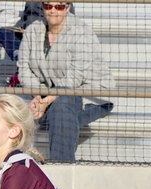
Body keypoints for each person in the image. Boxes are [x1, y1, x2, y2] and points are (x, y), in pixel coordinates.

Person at [16, 1, 113, 162]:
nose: (53, 11)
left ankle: (62, 170)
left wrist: (46, 101)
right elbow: (24, 70)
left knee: (61, 108)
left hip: (89, 94)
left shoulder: (81, 31)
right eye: (48, 6)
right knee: (6, 102)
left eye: (59, 6)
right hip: (46, 94)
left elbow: (75, 77)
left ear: (67, 7)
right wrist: (38, 97)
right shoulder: (33, 30)